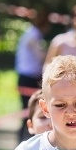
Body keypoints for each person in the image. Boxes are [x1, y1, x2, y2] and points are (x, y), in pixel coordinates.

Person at [15, 8, 50, 141]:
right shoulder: (33, 35)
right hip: (28, 78)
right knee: (28, 111)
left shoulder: (31, 33)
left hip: (27, 77)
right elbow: (41, 56)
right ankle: (24, 140)